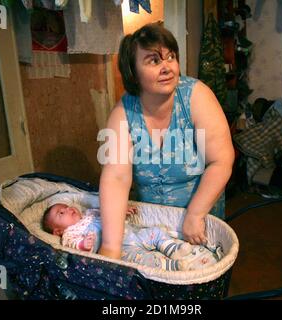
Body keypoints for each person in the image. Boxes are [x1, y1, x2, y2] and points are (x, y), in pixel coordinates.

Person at [98, 23, 235, 260]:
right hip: (151, 227)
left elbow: (221, 161)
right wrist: (110, 247)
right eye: (153, 60)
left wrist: (194, 214)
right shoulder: (122, 113)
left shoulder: (196, 96)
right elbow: (116, 178)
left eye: (170, 57)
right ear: (133, 72)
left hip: (199, 224)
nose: (167, 67)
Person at [42, 203, 219, 271]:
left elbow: (111, 208)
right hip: (119, 247)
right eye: (61, 213)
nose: (68, 209)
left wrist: (121, 209)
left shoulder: (89, 213)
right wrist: (82, 244)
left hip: (131, 233)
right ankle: (172, 265)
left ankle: (173, 248)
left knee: (155, 232)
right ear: (57, 231)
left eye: (66, 206)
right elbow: (71, 245)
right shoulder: (69, 233)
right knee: (143, 259)